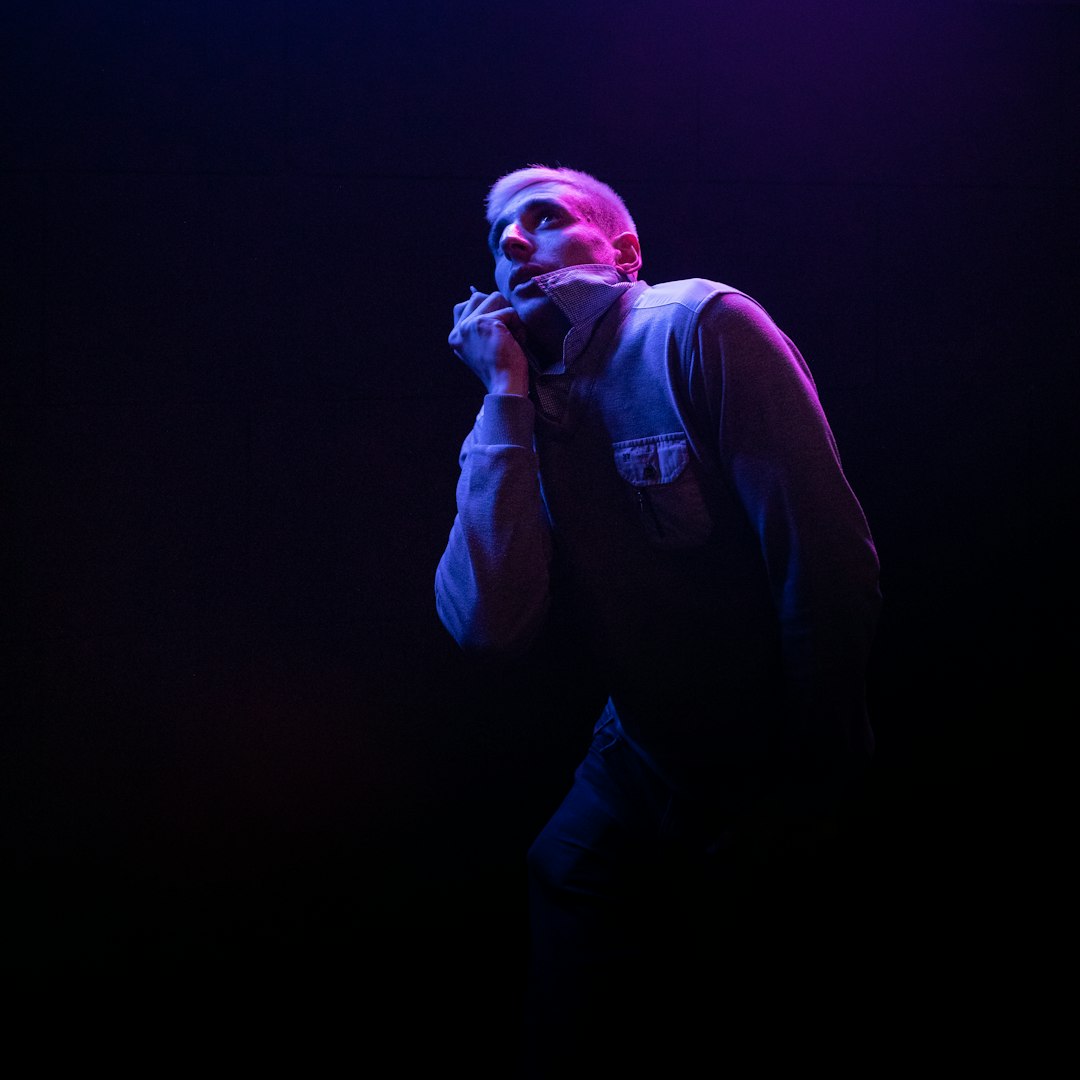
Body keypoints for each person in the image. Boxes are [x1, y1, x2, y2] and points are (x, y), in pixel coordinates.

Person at [435, 165, 882, 1075]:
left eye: (545, 219)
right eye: (498, 240)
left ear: (624, 250)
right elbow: (488, 624)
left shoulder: (698, 325)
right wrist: (503, 399)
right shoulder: (516, 409)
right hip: (639, 750)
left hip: (764, 744)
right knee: (565, 888)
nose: (514, 244)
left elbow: (825, 565)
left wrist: (812, 777)